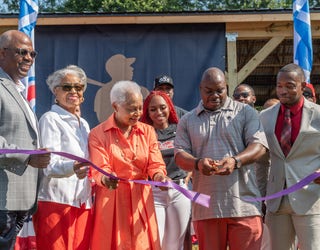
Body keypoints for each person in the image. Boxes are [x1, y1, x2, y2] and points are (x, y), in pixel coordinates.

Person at [174, 67, 268, 250]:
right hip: (207, 209)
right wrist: (197, 163)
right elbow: (179, 155)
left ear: (226, 87)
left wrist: (235, 161)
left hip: (244, 206)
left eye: (220, 90)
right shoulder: (187, 120)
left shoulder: (246, 113)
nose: (215, 95)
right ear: (200, 89)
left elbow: (259, 147)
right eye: (209, 91)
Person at [88, 80, 168, 250]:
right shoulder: (97, 134)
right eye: (132, 108)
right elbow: (100, 167)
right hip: (111, 199)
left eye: (140, 108)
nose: (137, 113)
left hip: (141, 199)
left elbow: (155, 162)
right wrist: (107, 178)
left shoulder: (147, 131)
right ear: (115, 107)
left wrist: (159, 176)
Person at [258, 63, 320, 250]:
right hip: (276, 201)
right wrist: (261, 196)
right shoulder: (265, 116)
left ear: (303, 86)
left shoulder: (318, 114)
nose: (283, 90)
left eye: (290, 85)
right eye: (279, 85)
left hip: (309, 199)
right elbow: (262, 163)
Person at [0, 30, 51, 249]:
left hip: (20, 199)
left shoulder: (17, 89)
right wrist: (27, 158)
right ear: (2, 53)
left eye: (32, 53)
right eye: (22, 52)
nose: (29, 58)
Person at [32, 65, 93, 249]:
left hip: (82, 202)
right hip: (56, 201)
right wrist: (73, 167)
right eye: (67, 87)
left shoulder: (84, 124)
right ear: (55, 91)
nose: (73, 91)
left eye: (78, 87)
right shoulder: (50, 118)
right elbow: (48, 165)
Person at [140, 90, 191, 250]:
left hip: (179, 190)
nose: (159, 112)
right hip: (154, 192)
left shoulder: (181, 129)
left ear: (170, 108)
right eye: (153, 109)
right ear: (147, 112)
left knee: (177, 243)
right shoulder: (145, 133)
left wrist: (186, 179)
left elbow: (191, 156)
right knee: (158, 240)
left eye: (162, 107)